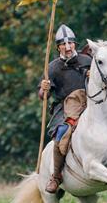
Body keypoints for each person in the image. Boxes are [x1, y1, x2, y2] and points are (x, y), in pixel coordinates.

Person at [39, 24, 92, 193]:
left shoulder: (87, 61)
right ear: (58, 47)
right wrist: (44, 88)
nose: (68, 47)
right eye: (64, 44)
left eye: (70, 43)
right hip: (65, 108)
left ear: (75, 44)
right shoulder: (53, 67)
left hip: (88, 102)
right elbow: (42, 96)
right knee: (61, 134)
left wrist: (94, 76)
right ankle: (55, 177)